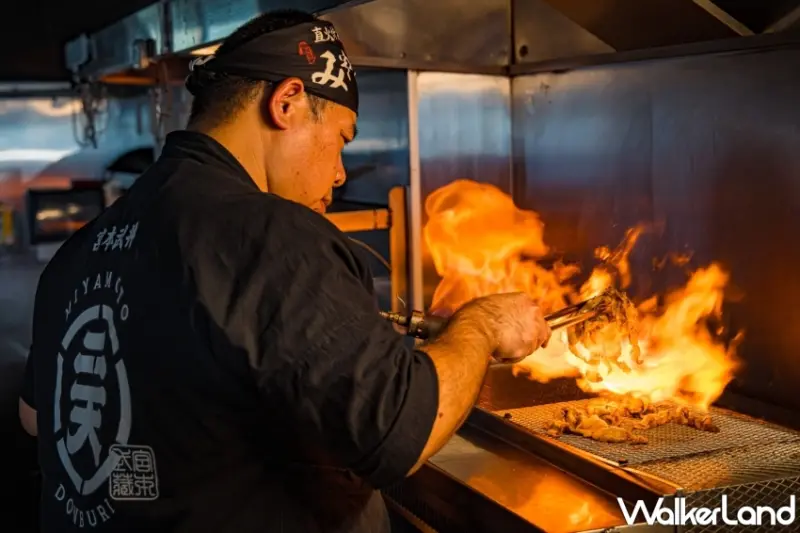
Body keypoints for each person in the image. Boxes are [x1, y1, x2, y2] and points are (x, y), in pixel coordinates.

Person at [18, 8, 551, 533]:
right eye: (342, 139)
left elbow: (38, 417)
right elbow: (398, 431)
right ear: (287, 102)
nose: (340, 174)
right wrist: (481, 327)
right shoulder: (270, 232)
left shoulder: (83, 247)